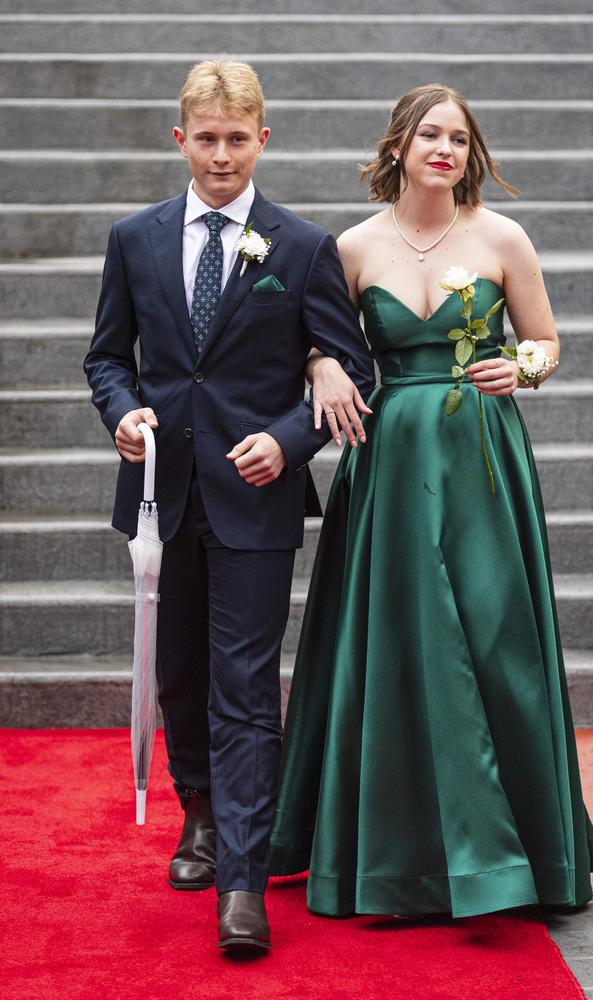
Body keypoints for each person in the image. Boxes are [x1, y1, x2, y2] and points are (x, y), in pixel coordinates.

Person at [270, 83, 593, 918]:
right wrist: (320, 365)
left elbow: (546, 341)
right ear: (399, 147)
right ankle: (395, 858)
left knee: (496, 642)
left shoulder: (503, 237)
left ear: (471, 154)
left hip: (481, 460)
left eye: (459, 138)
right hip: (387, 471)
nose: (445, 149)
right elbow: (316, 342)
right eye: (430, 134)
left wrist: (521, 367)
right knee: (396, 646)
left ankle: (521, 853)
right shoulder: (350, 248)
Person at [84, 58, 375, 951]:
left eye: (237, 140)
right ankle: (200, 816)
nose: (221, 156)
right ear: (181, 140)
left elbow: (350, 368)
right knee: (178, 676)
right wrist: (122, 411)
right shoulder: (135, 239)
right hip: (160, 495)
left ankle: (242, 884)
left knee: (246, 686)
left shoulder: (300, 246)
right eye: (205, 139)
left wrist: (290, 439)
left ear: (263, 140)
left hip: (256, 499)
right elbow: (107, 356)